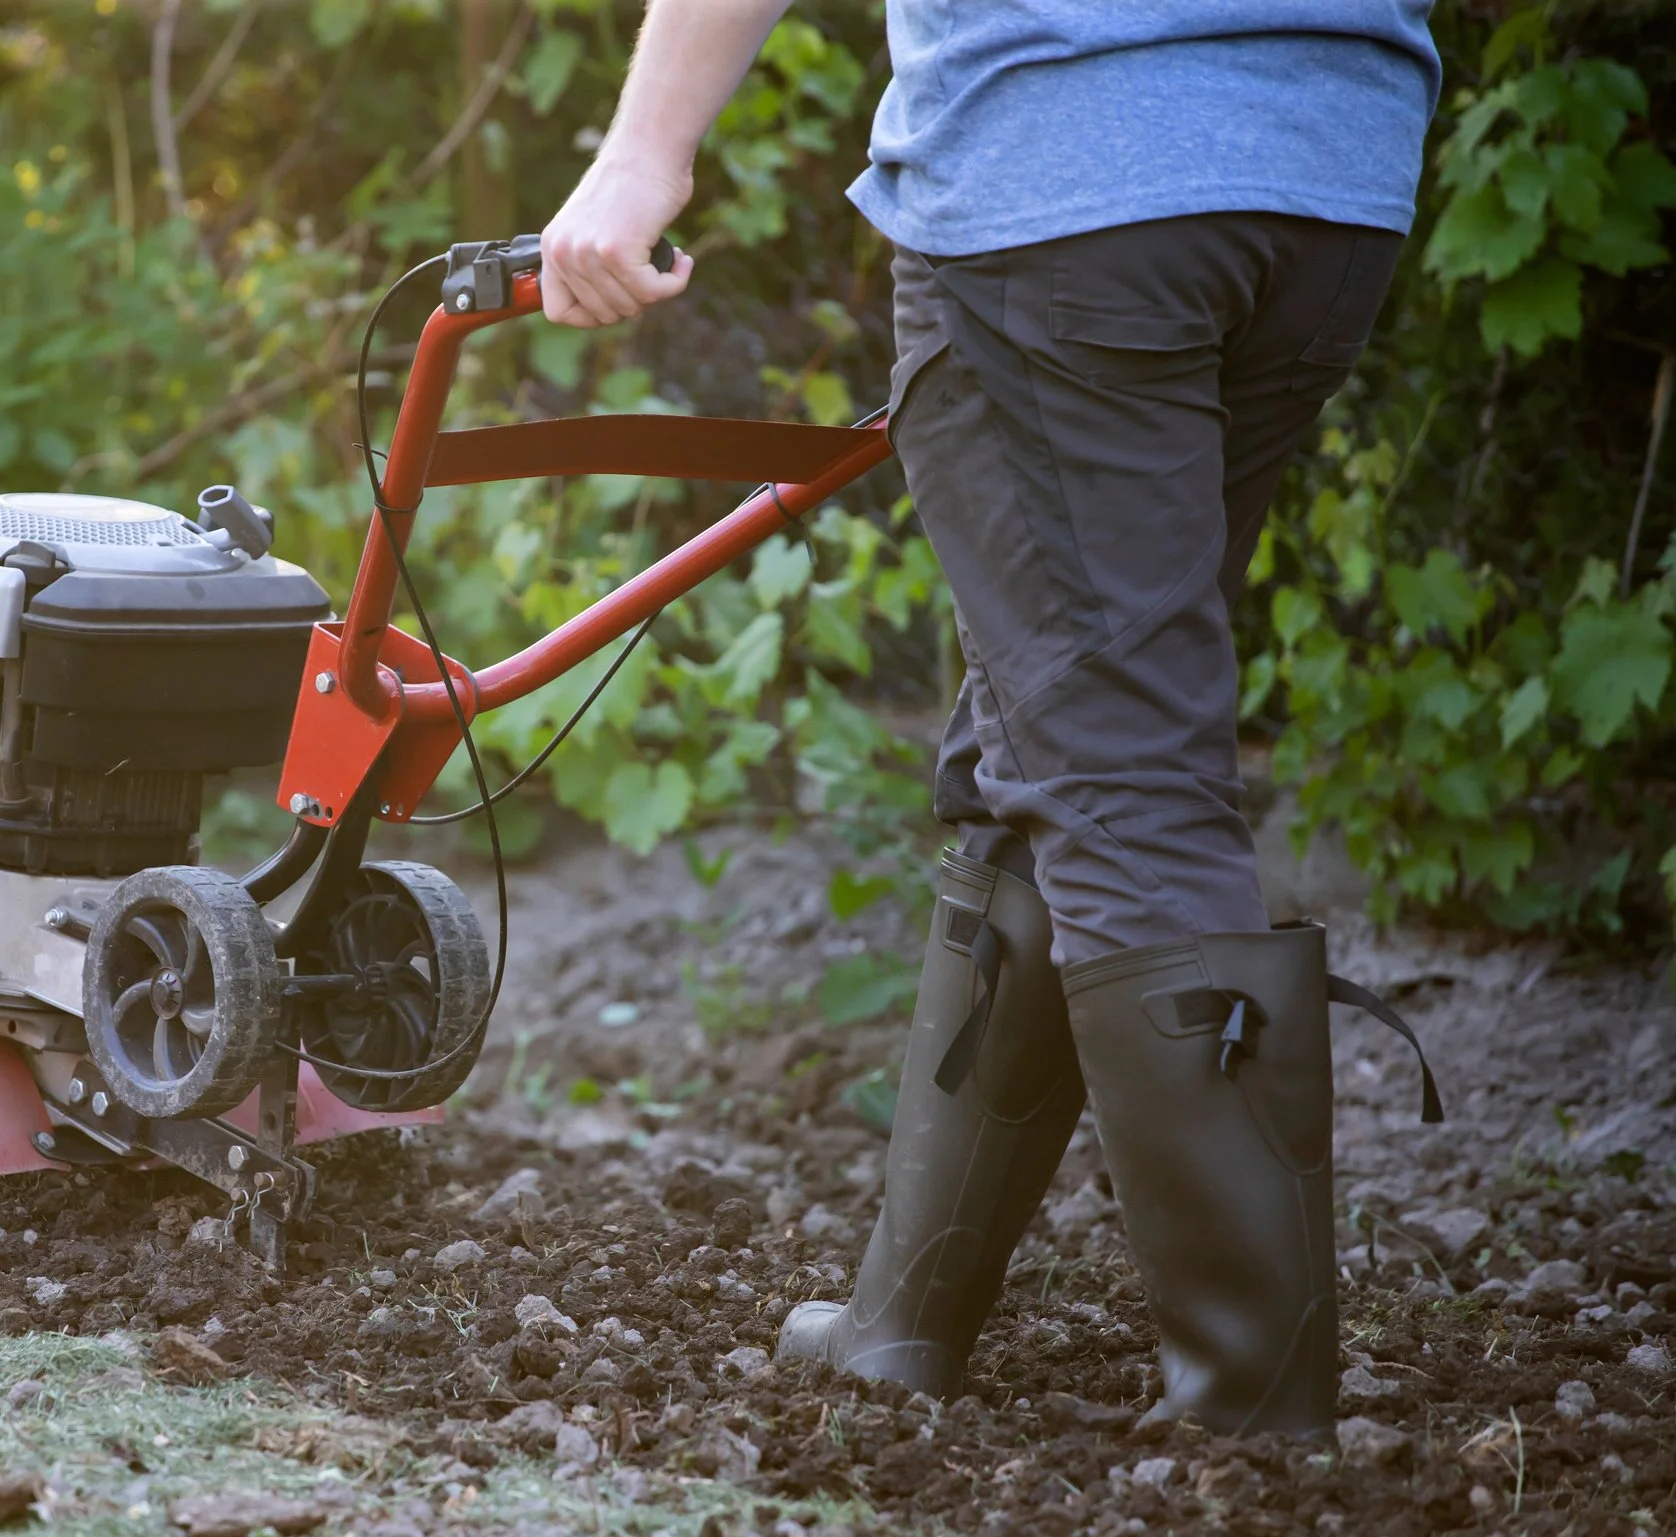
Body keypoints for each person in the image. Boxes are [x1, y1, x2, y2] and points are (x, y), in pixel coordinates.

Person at [538, 1, 1442, 1436]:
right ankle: (904, 1324)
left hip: (1068, 179)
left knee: (1118, 767)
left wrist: (646, 149)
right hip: (1330, 170)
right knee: (1064, 724)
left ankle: (1257, 1418)